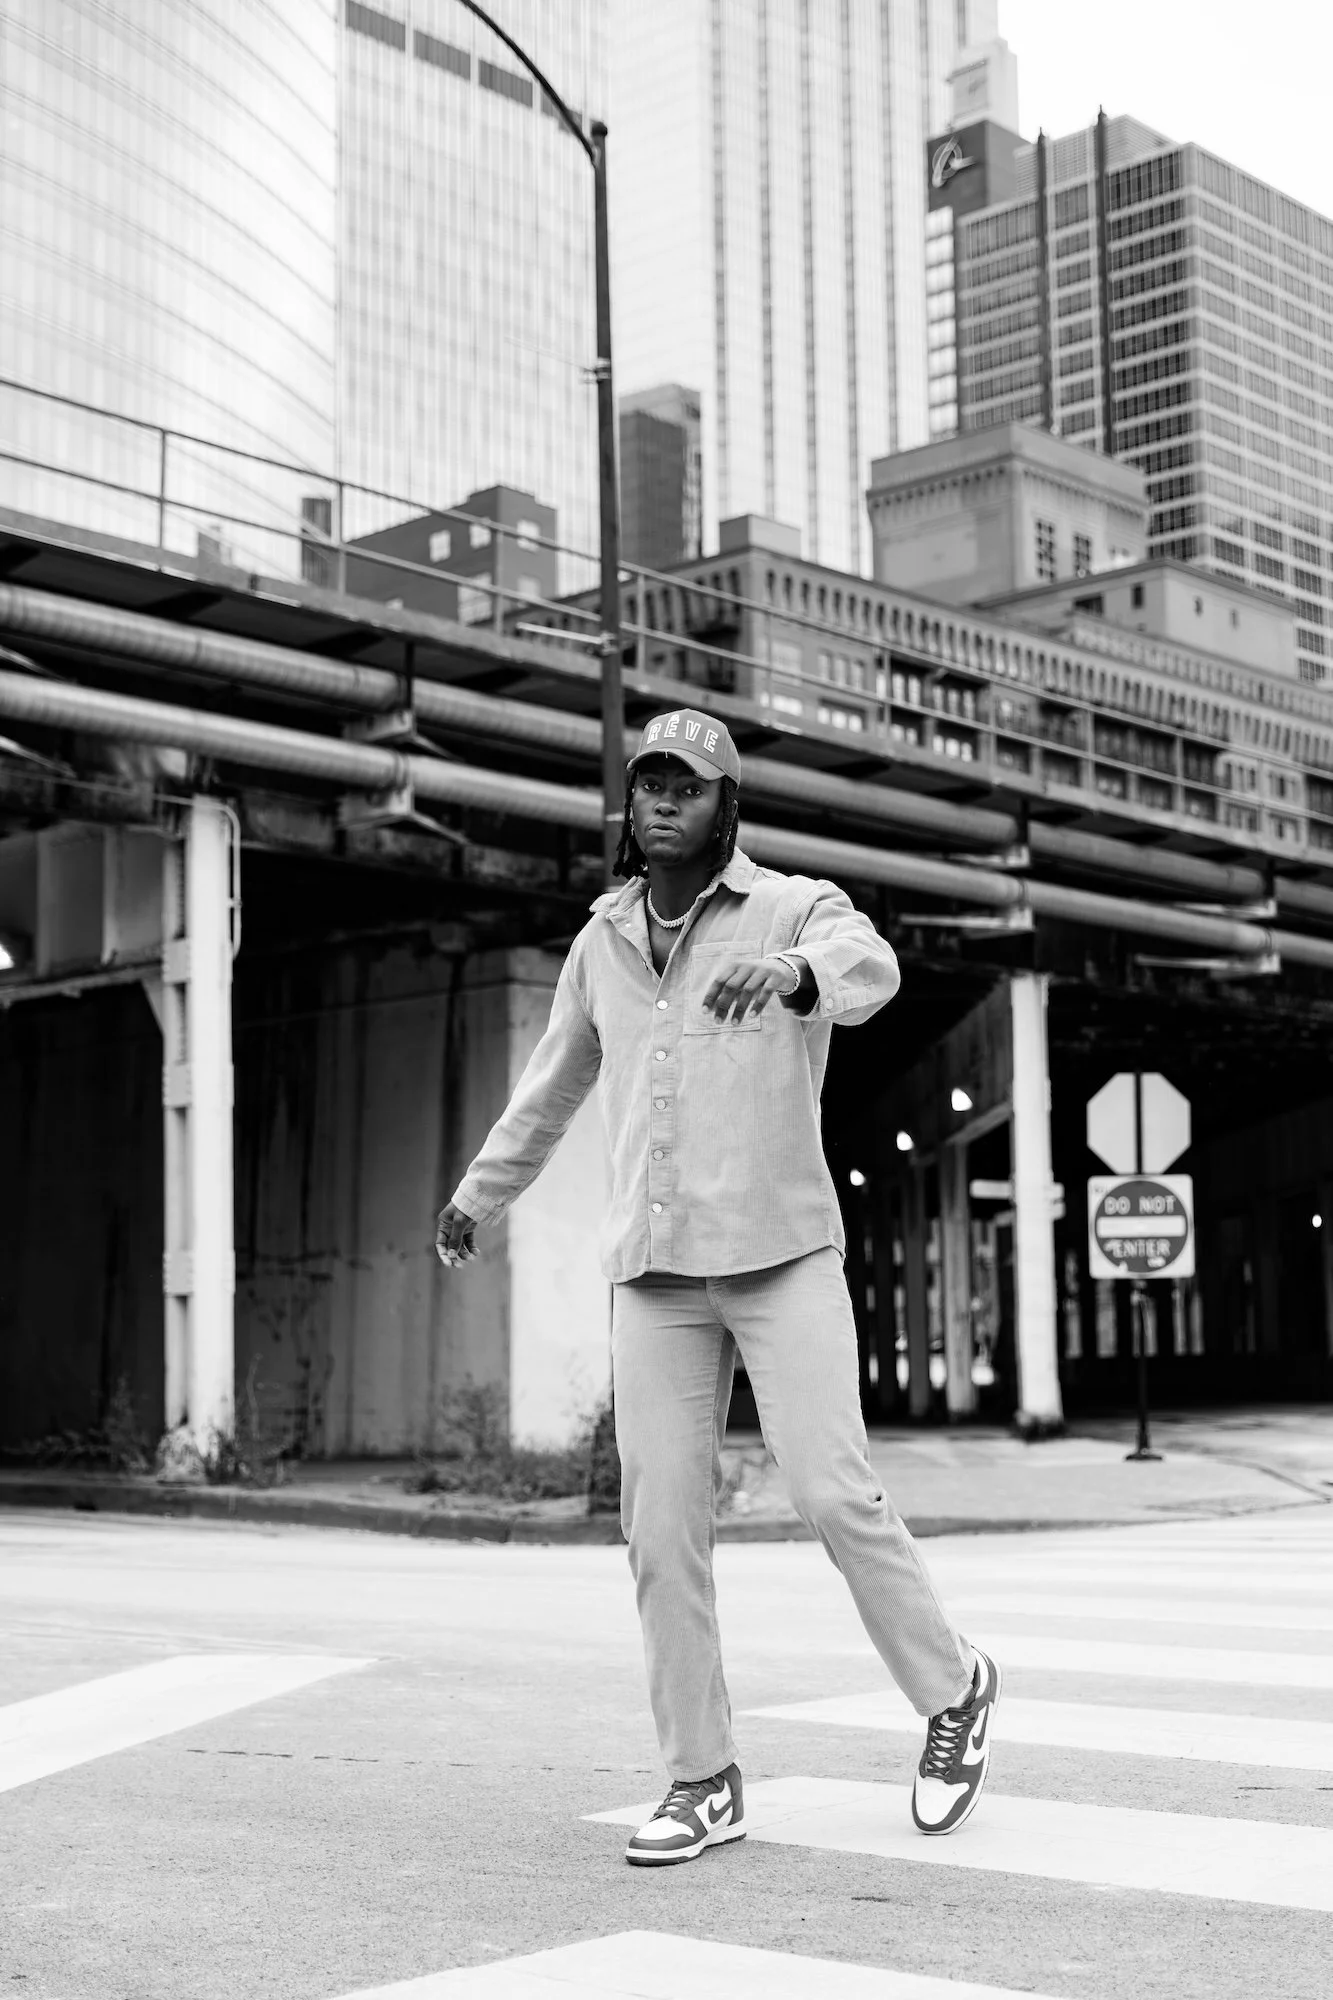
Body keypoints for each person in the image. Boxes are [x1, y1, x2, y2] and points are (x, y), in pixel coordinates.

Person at [436, 707, 1000, 1866]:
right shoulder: (600, 942)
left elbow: (871, 966)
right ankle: (703, 1776)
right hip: (655, 1274)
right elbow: (548, 1092)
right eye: (648, 781)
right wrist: (477, 1194)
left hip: (781, 1254)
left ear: (723, 806)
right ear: (629, 808)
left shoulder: (795, 907)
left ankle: (954, 1688)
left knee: (831, 1490)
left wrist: (795, 974)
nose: (663, 800)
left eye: (687, 784)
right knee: (658, 1524)